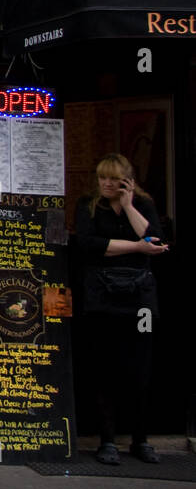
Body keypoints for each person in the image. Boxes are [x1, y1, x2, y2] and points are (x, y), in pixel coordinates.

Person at [73, 153, 170, 466]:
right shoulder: (89, 205)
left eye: (113, 179)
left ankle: (140, 440)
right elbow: (90, 244)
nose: (106, 184)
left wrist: (128, 207)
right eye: (102, 177)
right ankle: (107, 440)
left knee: (140, 368)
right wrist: (137, 248)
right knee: (104, 366)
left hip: (139, 301)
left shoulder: (143, 205)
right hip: (103, 298)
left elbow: (155, 237)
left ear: (127, 181)